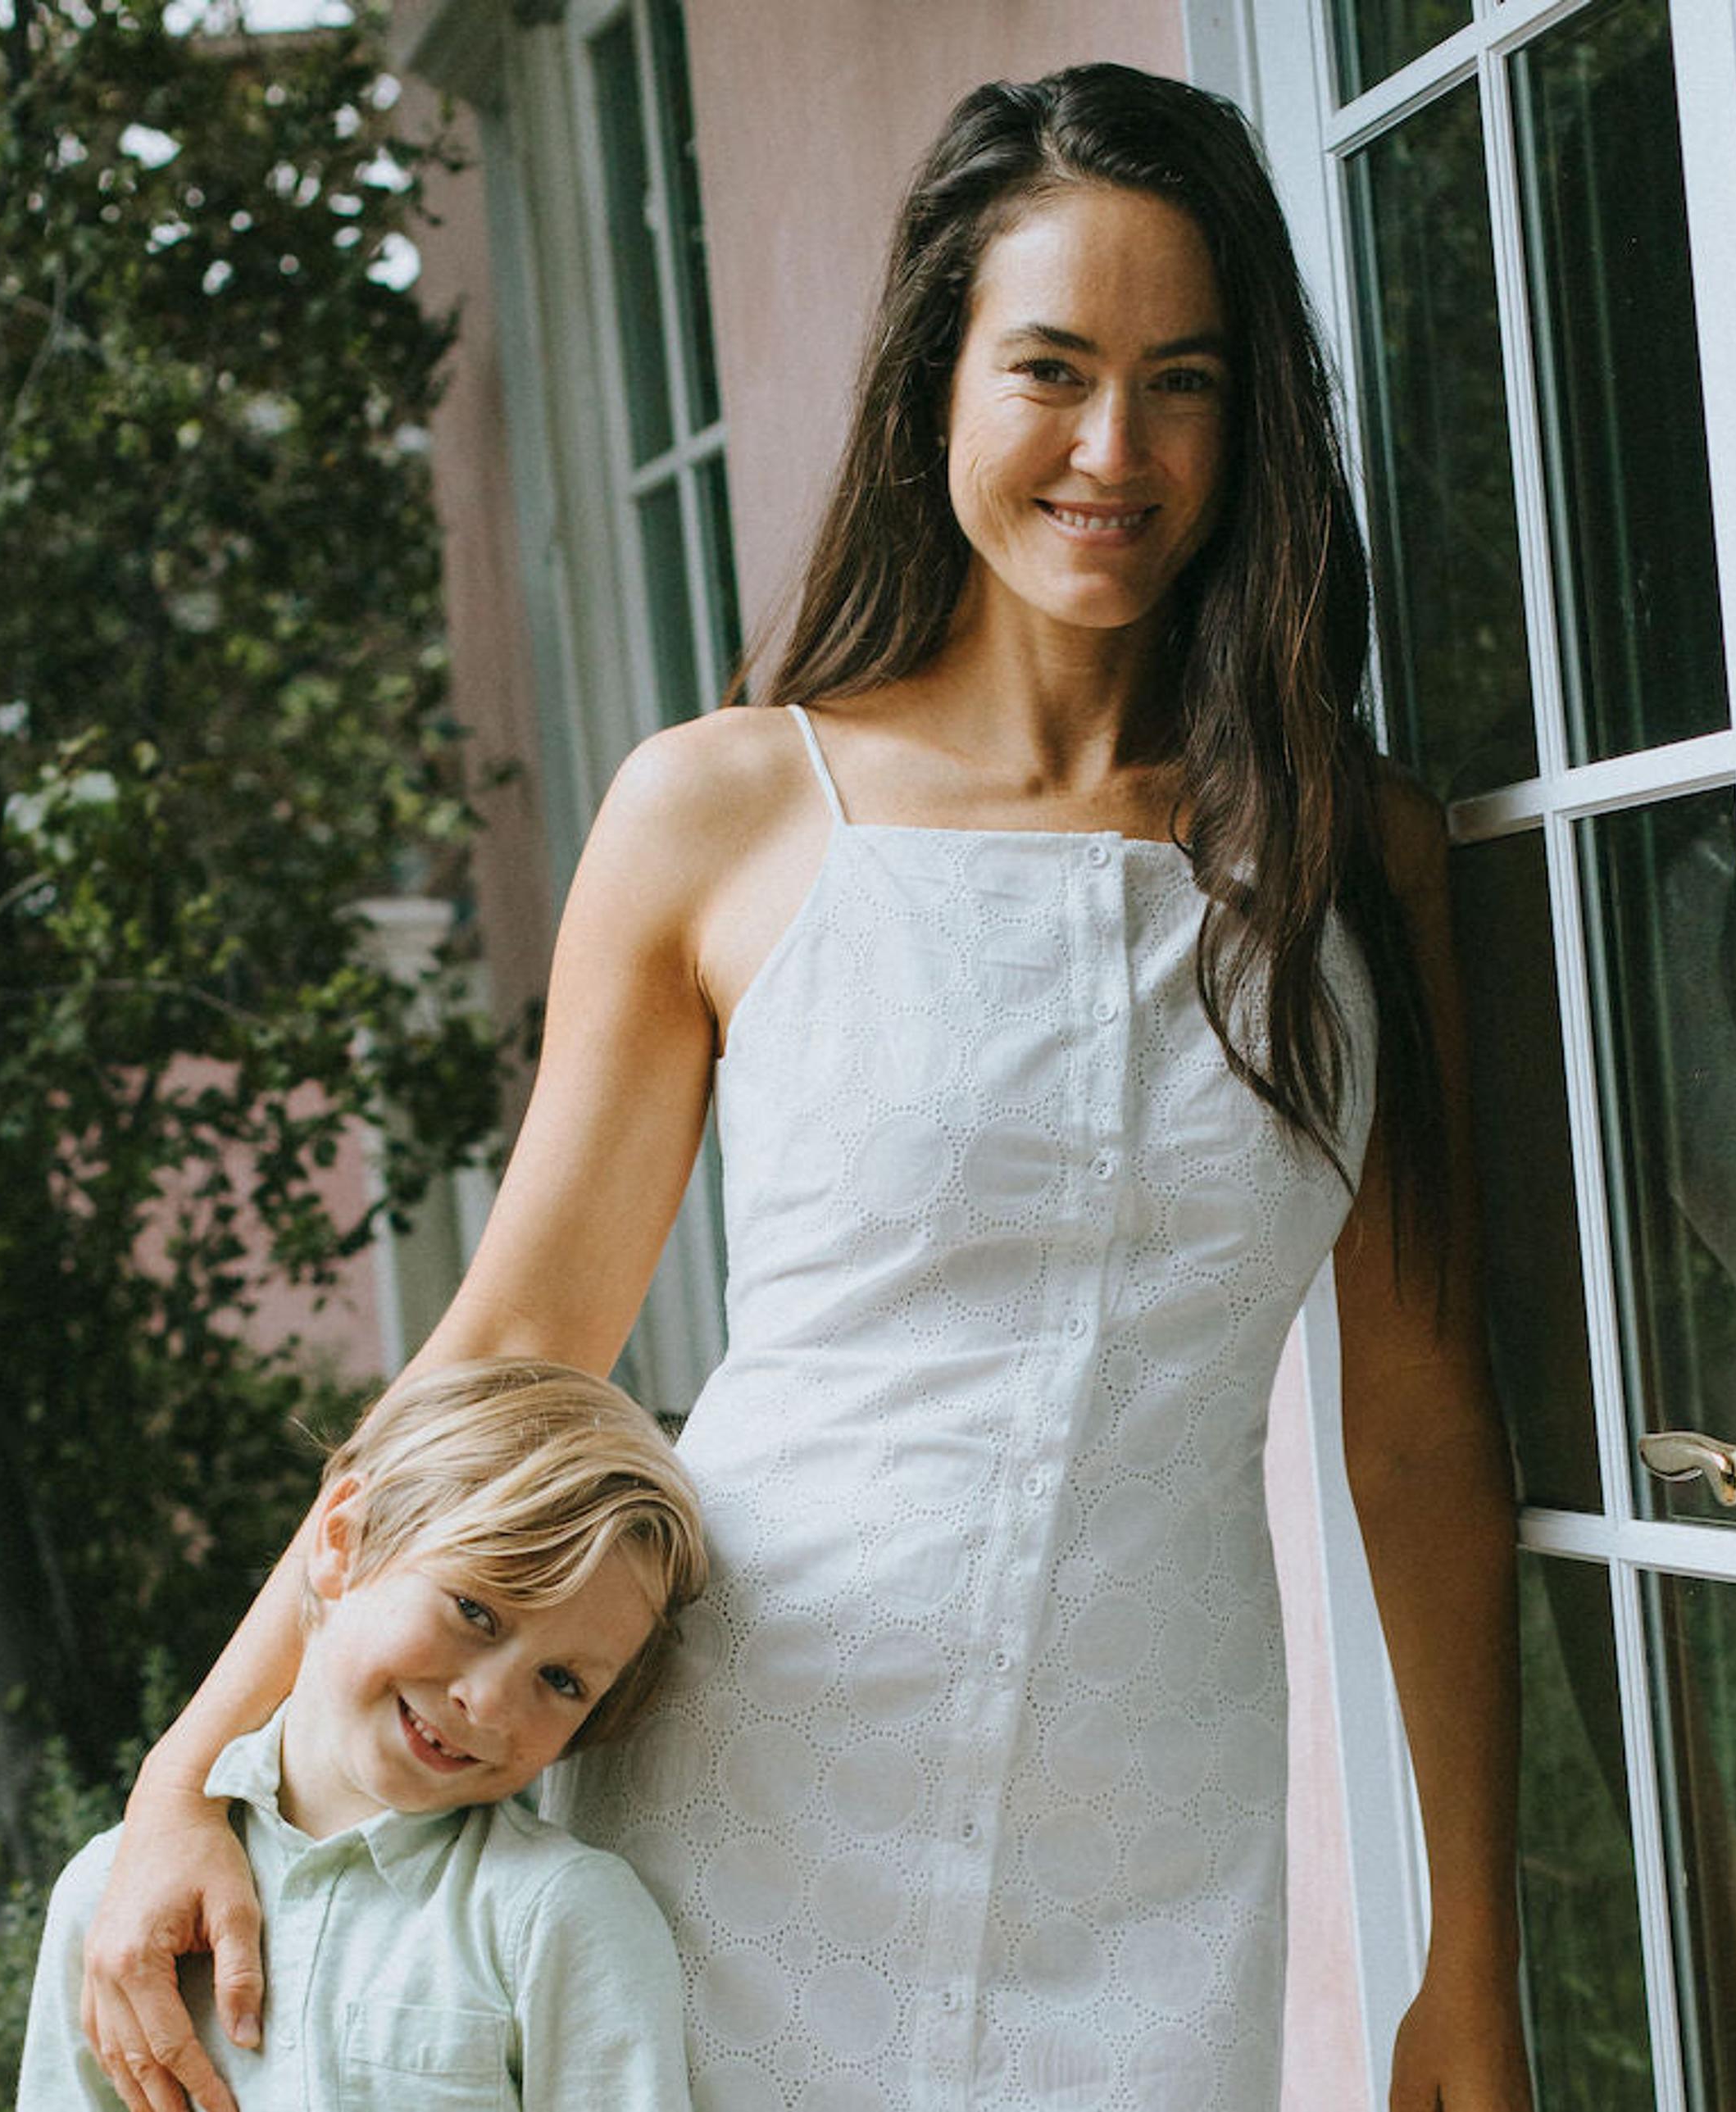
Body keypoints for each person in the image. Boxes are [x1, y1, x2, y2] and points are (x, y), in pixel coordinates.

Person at [84, 63, 1529, 2112]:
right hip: (732, 1809)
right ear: (935, 374)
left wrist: (1466, 1950)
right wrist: (191, 1772)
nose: (1112, 449)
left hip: (1153, 1841)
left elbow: (1417, 1424)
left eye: (1181, 381)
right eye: (1047, 367)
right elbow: (503, 1350)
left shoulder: (1347, 854)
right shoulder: (727, 810)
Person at [20, 1357, 710, 2110]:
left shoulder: (560, 1917)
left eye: (562, 1680)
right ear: (343, 1539)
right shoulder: (112, 1893)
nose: (485, 1702)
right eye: (475, 1610)